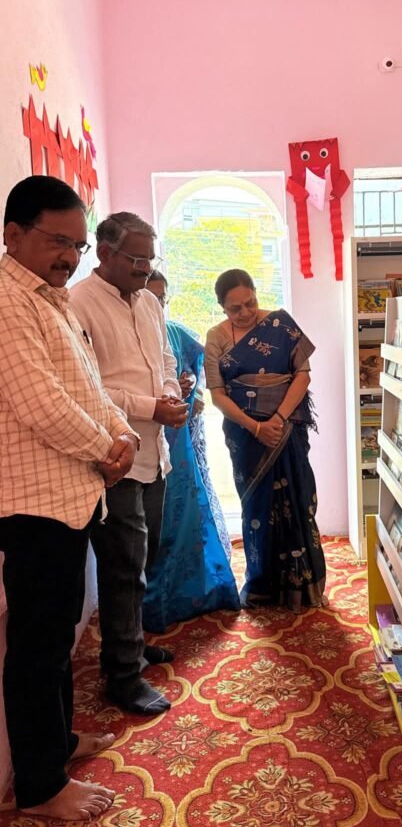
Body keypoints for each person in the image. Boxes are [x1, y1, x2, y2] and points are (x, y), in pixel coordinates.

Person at [0, 176, 140, 821]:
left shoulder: (50, 299)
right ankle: (39, 787)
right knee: (38, 646)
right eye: (58, 242)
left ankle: (56, 745)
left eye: (77, 246)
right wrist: (107, 448)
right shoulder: (8, 301)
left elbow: (87, 388)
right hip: (33, 505)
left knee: (57, 637)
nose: (70, 257)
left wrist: (122, 433)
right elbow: (40, 404)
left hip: (71, 495)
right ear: (13, 234)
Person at [70, 213, 188, 716]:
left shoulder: (149, 302)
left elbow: (165, 360)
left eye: (149, 259)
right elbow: (86, 389)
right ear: (105, 253)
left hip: (155, 453)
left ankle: (132, 649)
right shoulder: (76, 303)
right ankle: (122, 675)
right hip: (113, 458)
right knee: (122, 568)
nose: (145, 269)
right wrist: (148, 407)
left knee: (144, 558)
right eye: (137, 260)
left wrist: (171, 395)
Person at [204, 268, 326, 611]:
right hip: (245, 435)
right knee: (257, 506)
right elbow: (217, 395)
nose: (245, 312)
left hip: (287, 427)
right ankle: (263, 586)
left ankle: (304, 586)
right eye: (235, 308)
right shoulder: (216, 337)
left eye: (250, 303)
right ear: (222, 307)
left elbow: (302, 375)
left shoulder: (280, 324)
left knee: (298, 498)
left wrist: (278, 419)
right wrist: (256, 428)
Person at [142, 271, 240, 629]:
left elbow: (197, 366)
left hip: (182, 442)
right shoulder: (130, 333)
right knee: (156, 524)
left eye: (162, 297)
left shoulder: (174, 331)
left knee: (190, 513)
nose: (157, 304)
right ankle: (157, 603)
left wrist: (192, 385)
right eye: (151, 296)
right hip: (145, 445)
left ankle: (199, 589)